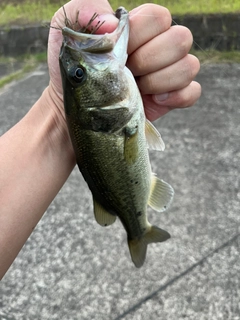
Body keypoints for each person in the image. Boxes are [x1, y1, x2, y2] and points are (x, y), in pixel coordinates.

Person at [0, 0, 201, 279]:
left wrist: (59, 111)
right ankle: (139, 231)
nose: (76, 68)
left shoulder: (94, 114)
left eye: (77, 74)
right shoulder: (96, 114)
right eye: (79, 75)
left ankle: (137, 229)